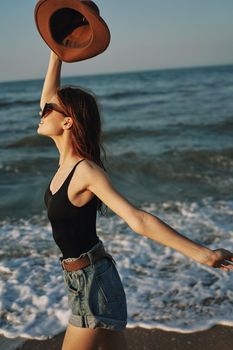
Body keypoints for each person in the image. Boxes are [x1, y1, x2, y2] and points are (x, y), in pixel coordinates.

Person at [37, 51, 233, 350]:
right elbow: (49, 97)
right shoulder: (65, 163)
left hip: (93, 284)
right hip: (83, 280)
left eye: (49, 110)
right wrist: (56, 53)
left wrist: (204, 255)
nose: (41, 111)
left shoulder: (85, 171)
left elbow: (137, 219)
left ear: (66, 123)